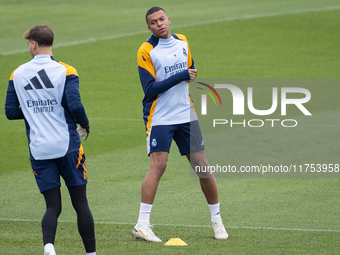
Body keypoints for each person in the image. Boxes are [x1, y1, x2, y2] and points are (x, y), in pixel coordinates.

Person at [132, 7, 228, 242]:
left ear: (169, 19)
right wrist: (180, 75)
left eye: (162, 19)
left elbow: (191, 69)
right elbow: (150, 89)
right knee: (159, 165)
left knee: (202, 165)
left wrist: (186, 74)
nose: (159, 24)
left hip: (186, 113)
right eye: (153, 22)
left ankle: (217, 220)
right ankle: (142, 225)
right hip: (160, 117)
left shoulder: (183, 41)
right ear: (149, 27)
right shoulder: (146, 50)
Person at [5, 25, 96, 255]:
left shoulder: (17, 73)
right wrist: (84, 124)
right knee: (80, 204)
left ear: (33, 44)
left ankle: (49, 247)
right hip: (68, 147)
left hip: (39, 149)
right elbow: (74, 104)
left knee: (53, 206)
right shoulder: (66, 71)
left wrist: (35, 111)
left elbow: (10, 111)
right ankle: (91, 254)